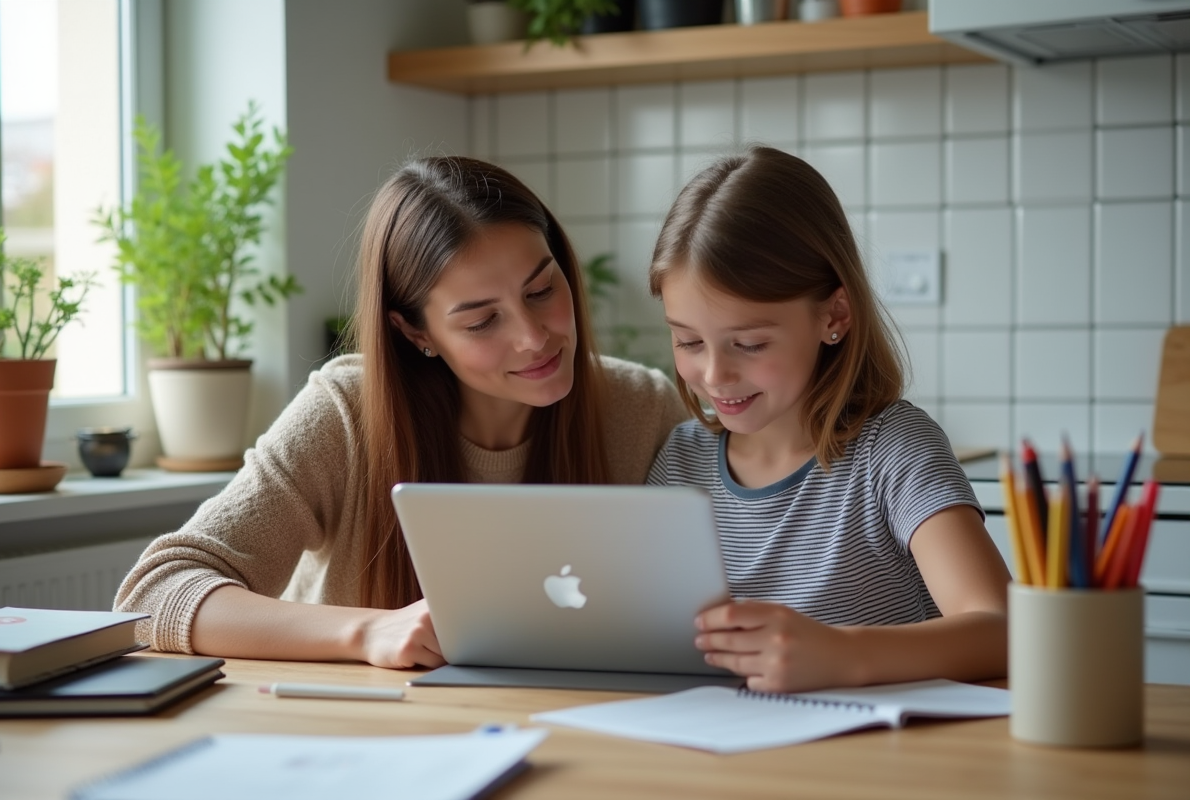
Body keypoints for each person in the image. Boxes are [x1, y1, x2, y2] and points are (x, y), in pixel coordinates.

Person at [115, 156, 685, 669]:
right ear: (416, 332)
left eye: (541, 291)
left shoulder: (642, 404)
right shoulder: (345, 414)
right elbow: (152, 595)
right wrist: (367, 632)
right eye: (482, 321)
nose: (533, 338)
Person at [645, 146, 1011, 694]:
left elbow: (1004, 630)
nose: (715, 375)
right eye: (688, 341)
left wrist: (842, 654)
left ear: (834, 315)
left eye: (750, 343)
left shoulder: (893, 450)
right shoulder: (681, 459)